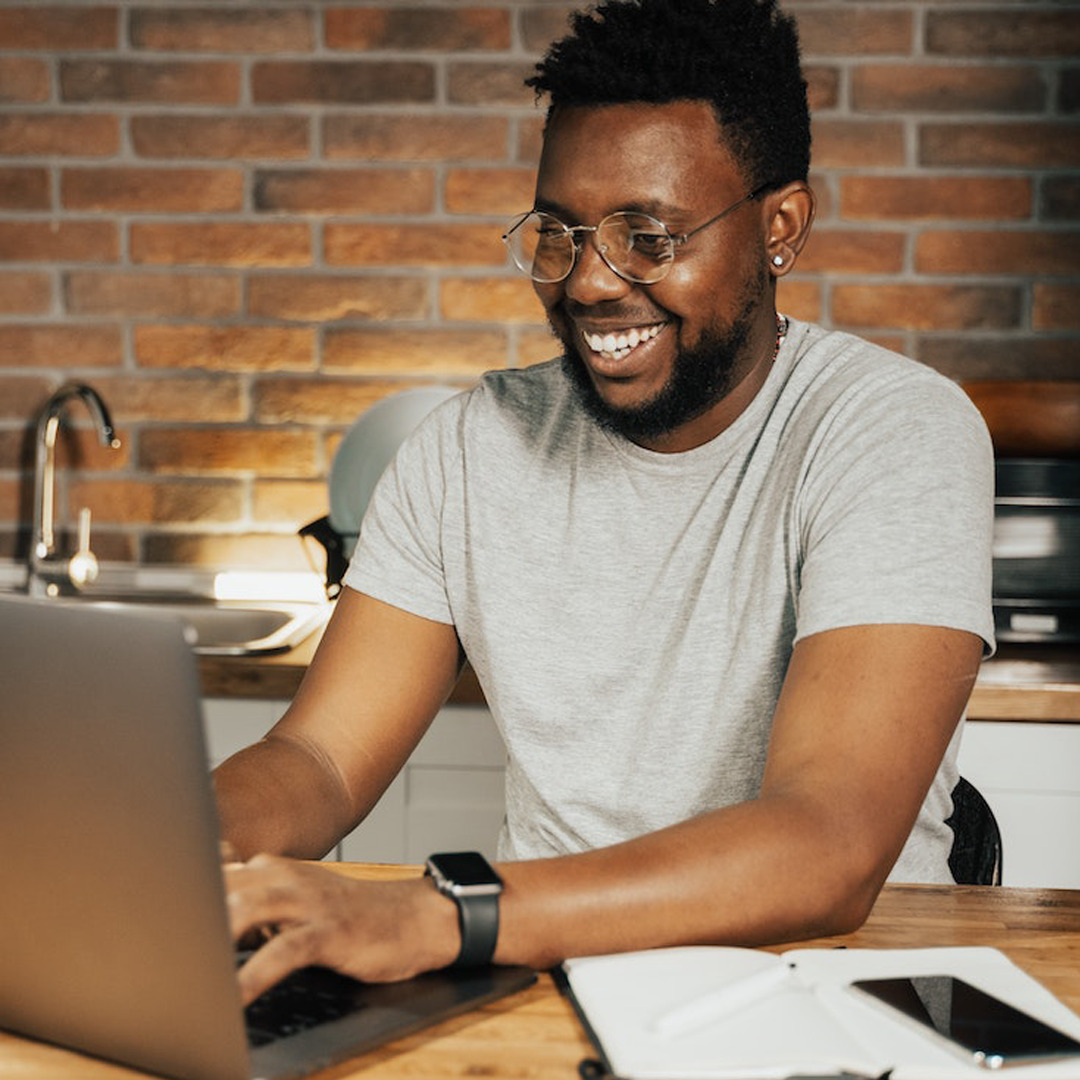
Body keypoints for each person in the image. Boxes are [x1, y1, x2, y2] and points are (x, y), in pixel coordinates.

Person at [216, 0, 994, 1005]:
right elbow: (318, 757)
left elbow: (827, 844)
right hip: (539, 984)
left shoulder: (891, 431)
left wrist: (440, 914)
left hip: (826, 1001)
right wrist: (170, 847)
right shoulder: (467, 448)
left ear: (780, 228)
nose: (587, 282)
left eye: (647, 237)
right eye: (562, 232)